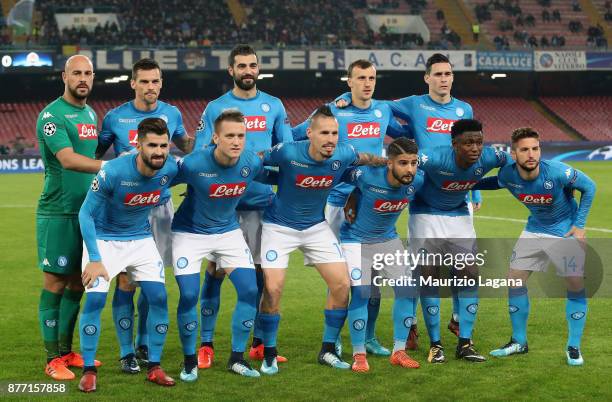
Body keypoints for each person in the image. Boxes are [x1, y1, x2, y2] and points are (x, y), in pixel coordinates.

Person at [335, 53, 481, 350]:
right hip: (421, 190)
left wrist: (474, 190)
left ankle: (456, 318)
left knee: (463, 265)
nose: (443, 79)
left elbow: (470, 148)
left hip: (456, 194)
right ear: (427, 78)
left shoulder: (464, 108)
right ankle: (412, 325)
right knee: (420, 267)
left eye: (448, 74)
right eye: (437, 74)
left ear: (453, 77)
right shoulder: (413, 103)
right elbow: (374, 104)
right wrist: (344, 97)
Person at [257, 105, 387, 375]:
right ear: (309, 134)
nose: (330, 139)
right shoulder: (288, 151)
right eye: (324, 132)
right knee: (273, 289)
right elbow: (255, 160)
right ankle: (268, 353)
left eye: (335, 133)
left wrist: (387, 163)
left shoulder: (343, 153)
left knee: (341, 284)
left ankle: (327, 350)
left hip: (316, 227)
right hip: (278, 227)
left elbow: (363, 158)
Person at [293, 59, 408, 357]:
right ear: (349, 81)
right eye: (361, 78)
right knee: (340, 277)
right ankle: (335, 338)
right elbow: (296, 134)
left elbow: (408, 135)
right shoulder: (335, 111)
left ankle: (368, 337)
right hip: (335, 201)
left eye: (371, 77)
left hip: (370, 199)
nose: (367, 83)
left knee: (376, 279)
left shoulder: (383, 109)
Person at [193, 44, 292, 367]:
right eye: (241, 66)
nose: (248, 71)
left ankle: (259, 343)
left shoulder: (274, 106)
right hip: (225, 206)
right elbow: (199, 154)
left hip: (264, 205)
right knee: (216, 270)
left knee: (263, 275)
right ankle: (206, 344)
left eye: (252, 65)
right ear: (231, 71)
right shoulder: (216, 108)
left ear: (257, 68)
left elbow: (287, 152)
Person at [96, 57, 194, 373]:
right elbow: (95, 159)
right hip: (126, 209)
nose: (150, 87)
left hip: (161, 208)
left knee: (151, 279)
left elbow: (187, 149)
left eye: (156, 81)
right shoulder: (114, 118)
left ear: (161, 83)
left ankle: (142, 342)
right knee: (126, 281)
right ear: (133, 83)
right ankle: (126, 353)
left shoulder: (173, 113)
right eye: (145, 81)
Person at [475, 128, 596, 366]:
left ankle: (573, 346)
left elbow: (589, 187)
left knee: (574, 284)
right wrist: (461, 184)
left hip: (565, 231)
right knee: (514, 280)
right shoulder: (508, 174)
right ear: (514, 153)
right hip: (534, 230)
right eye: (524, 149)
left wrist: (580, 226)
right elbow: (492, 182)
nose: (531, 154)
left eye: (535, 148)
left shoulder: (559, 172)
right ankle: (519, 342)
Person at [77, 118, 178, 392]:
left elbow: (202, 168)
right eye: (152, 145)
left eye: (163, 145)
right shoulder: (114, 171)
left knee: (158, 297)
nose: (159, 151)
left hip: (141, 238)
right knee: (95, 301)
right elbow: (85, 213)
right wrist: (95, 259)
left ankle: (154, 366)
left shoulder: (170, 167)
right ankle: (88, 370)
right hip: (104, 240)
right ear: (138, 145)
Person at [171, 110, 272, 380]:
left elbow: (271, 175)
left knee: (250, 290)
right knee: (189, 295)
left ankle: (237, 358)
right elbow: (161, 179)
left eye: (241, 136)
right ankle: (190, 360)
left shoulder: (250, 162)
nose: (236, 141)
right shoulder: (193, 164)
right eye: (230, 136)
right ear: (216, 137)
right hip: (189, 234)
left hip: (227, 232)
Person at [410, 119, 510, 363]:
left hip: (459, 214)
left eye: (479, 142)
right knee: (429, 276)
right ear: (454, 144)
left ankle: (465, 343)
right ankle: (435, 345)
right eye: (468, 143)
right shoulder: (433, 158)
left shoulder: (490, 157)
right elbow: (403, 164)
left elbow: (513, 164)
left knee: (469, 274)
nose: (475, 148)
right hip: (425, 214)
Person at [36, 55, 105, 381]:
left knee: (79, 282)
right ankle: (52, 358)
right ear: (64, 76)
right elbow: (68, 160)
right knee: (55, 282)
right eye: (76, 72)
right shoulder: (51, 116)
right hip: (58, 213)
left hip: (85, 211)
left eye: (88, 73)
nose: (82, 78)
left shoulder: (89, 113)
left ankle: (66, 351)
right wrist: (111, 167)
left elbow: (89, 155)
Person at [340, 137, 424, 372]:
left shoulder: (418, 180)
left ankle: (399, 351)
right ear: (389, 163)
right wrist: (351, 198)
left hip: (388, 240)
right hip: (356, 241)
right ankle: (359, 355)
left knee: (407, 291)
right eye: (403, 163)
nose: (410, 169)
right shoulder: (367, 176)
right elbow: (336, 174)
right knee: (362, 295)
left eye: (413, 163)